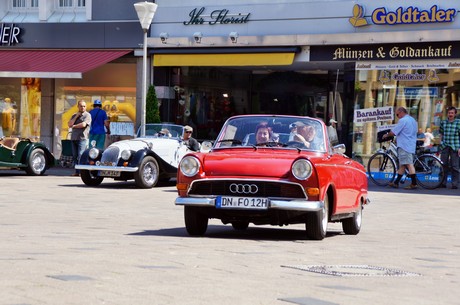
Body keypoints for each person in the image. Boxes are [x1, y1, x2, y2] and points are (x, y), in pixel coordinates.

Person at [383, 107, 418, 189]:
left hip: (404, 145)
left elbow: (394, 132)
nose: (397, 116)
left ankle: (414, 183)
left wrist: (387, 135)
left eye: (397, 114)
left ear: (402, 112)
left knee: (409, 164)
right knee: (403, 164)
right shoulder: (412, 120)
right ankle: (396, 182)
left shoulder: (403, 120)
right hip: (411, 144)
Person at [67, 100, 91, 176]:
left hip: (82, 138)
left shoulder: (87, 115)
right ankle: (77, 172)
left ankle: (81, 172)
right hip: (74, 138)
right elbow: (69, 124)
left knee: (81, 155)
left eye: (84, 106)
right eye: (81, 106)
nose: (82, 108)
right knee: (75, 156)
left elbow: (83, 125)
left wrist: (74, 126)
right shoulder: (74, 115)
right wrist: (76, 116)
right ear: (78, 107)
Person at [439, 106, 460, 189]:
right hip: (445, 146)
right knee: (443, 165)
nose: (450, 114)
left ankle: (454, 184)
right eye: (449, 113)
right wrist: (440, 144)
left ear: (455, 114)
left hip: (455, 146)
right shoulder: (443, 122)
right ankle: (442, 182)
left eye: (452, 113)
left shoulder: (458, 122)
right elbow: (441, 133)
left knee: (455, 166)